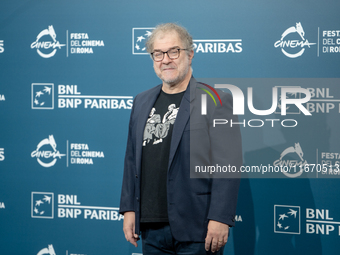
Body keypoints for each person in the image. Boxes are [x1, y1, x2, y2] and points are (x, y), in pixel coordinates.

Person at [119, 23, 242, 254]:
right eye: (158, 53)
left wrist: (220, 218)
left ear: (190, 53)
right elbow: (131, 160)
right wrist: (129, 209)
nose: (166, 59)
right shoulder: (141, 101)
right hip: (151, 229)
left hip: (198, 228)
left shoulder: (215, 100)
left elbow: (228, 165)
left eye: (173, 51)